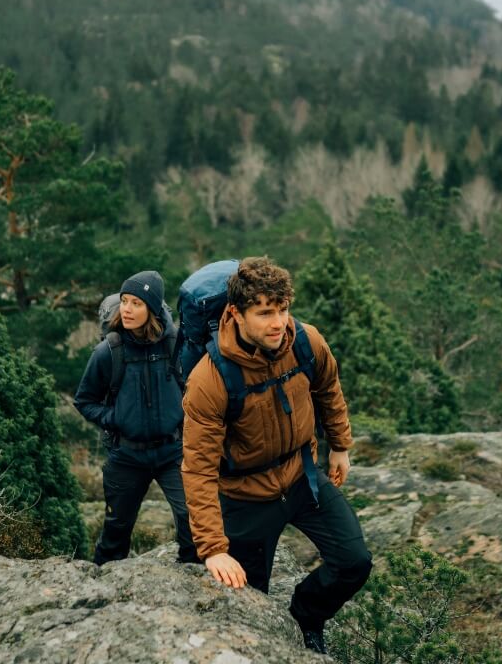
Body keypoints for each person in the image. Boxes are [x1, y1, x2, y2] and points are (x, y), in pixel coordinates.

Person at [181, 256, 372, 655]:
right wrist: (213, 548)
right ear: (235, 313)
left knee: (354, 562)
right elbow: (198, 469)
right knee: (250, 607)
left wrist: (340, 445)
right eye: (265, 312)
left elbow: (328, 387)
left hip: (302, 476)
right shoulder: (209, 379)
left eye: (282, 309)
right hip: (246, 497)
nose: (278, 322)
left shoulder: (306, 340)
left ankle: (306, 616)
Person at [74, 270, 198, 565]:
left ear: (153, 309)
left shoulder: (176, 345)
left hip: (173, 451)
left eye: (136, 303)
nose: (126, 310)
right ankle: (101, 587)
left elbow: (199, 389)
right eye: (125, 301)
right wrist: (116, 418)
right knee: (116, 529)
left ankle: (194, 580)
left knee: (192, 520)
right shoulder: (110, 350)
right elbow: (85, 401)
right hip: (127, 455)